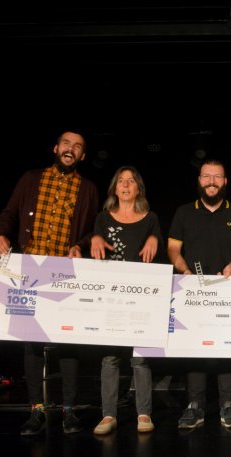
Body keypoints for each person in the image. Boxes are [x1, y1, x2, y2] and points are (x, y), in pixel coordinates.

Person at [0, 130, 99, 436]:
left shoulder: (88, 188)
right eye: (66, 143)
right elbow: (10, 212)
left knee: (68, 340)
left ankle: (68, 410)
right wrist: (1, 234)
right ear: (55, 148)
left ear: (82, 156)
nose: (70, 149)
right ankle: (36, 410)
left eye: (77, 146)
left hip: (65, 270)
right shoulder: (31, 178)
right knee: (32, 342)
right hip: (30, 268)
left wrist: (80, 244)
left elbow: (93, 229)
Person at [167, 159, 231, 429]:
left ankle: (228, 403)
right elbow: (173, 249)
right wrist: (183, 269)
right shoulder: (184, 212)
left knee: (228, 346)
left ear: (225, 181)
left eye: (217, 177)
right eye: (206, 176)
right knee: (194, 347)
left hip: (227, 289)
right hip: (193, 290)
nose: (211, 181)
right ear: (199, 180)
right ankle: (195, 405)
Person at [89, 166, 161, 435]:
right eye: (121, 181)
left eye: (131, 181)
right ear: (114, 188)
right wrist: (96, 237)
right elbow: (94, 241)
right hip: (110, 296)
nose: (126, 185)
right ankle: (108, 415)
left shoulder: (150, 218)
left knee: (140, 358)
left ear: (138, 188)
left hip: (140, 296)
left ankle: (144, 413)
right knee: (110, 358)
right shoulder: (103, 218)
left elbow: (159, 243)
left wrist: (154, 237)